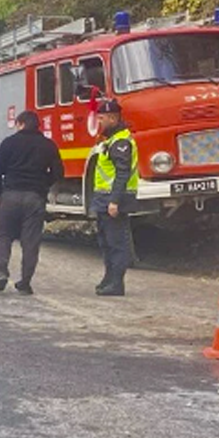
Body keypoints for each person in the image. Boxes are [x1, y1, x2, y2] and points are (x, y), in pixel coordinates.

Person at [0, 111, 63, 294]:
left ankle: (1, 272)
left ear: (21, 123)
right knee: (31, 241)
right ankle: (25, 282)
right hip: (34, 198)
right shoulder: (48, 145)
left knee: (4, 236)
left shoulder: (9, 143)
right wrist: (42, 185)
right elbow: (58, 172)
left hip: (11, 195)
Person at [90, 99, 137, 296]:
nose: (99, 123)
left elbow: (122, 173)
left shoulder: (121, 143)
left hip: (114, 200)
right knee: (106, 242)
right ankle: (109, 279)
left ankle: (117, 284)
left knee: (117, 242)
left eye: (101, 119)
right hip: (104, 199)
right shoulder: (110, 141)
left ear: (112, 118)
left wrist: (114, 201)